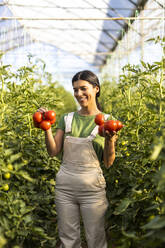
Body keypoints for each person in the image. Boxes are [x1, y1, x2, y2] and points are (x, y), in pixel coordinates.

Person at [38, 70, 118, 248]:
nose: (79, 94)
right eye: (75, 90)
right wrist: (46, 128)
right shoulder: (67, 119)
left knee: (96, 239)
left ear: (96, 89)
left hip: (92, 189)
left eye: (83, 89)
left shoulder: (107, 121)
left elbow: (108, 162)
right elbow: (53, 151)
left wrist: (110, 141)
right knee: (68, 240)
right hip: (64, 188)